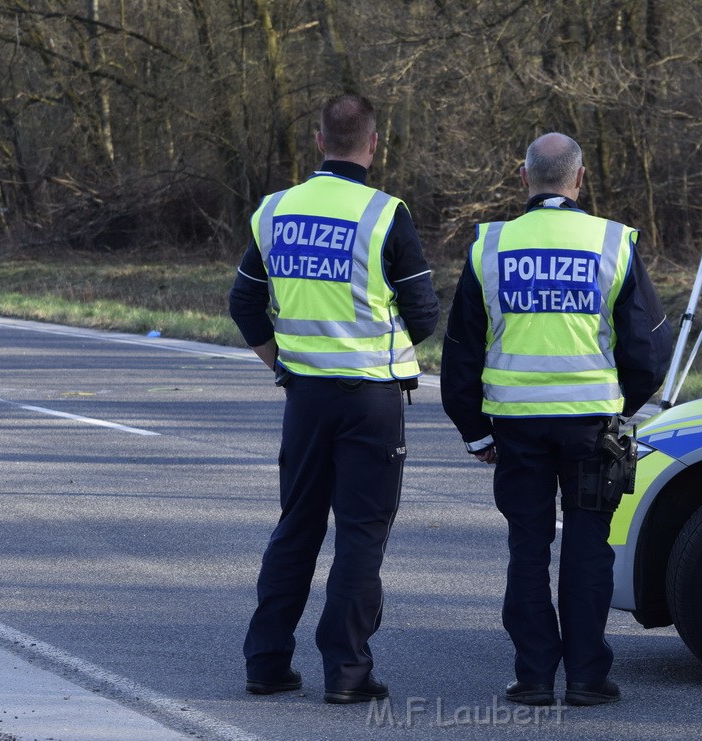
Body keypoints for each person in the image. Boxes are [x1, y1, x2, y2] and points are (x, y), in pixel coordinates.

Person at [441, 132, 672, 707]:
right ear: (580, 178)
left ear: (524, 179)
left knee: (529, 546)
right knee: (589, 544)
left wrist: (475, 431)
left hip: (515, 426)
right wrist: (619, 408)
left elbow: (461, 352)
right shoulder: (612, 242)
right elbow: (648, 353)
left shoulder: (489, 246)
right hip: (592, 425)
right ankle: (589, 678)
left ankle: (535, 677)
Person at [229, 93, 439, 704]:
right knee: (360, 537)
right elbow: (423, 313)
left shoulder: (275, 210)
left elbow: (244, 304)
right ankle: (347, 675)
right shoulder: (384, 213)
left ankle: (265, 663)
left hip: (305, 398)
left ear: (318, 142)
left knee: (296, 527)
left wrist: (284, 365)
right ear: (373, 145)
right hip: (372, 400)